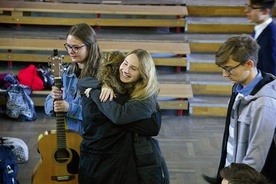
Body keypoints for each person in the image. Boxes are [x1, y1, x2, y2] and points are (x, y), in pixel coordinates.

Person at [77, 49, 169, 184]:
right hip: (95, 157)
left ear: (143, 74)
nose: (126, 70)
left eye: (133, 68)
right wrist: (103, 86)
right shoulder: (111, 83)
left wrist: (93, 93)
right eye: (125, 63)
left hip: (121, 161)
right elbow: (82, 82)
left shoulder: (145, 98)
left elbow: (150, 127)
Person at [202, 35, 276, 184]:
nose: (224, 74)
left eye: (229, 69)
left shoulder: (263, 104)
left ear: (248, 64)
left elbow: (255, 159)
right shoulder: (239, 89)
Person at [44, 23, 102, 134]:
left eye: (76, 47)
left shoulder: (102, 75)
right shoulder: (67, 72)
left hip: (92, 138)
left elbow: (100, 114)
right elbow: (47, 108)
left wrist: (70, 108)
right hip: (69, 136)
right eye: (68, 46)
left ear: (89, 47)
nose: (71, 51)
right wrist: (54, 100)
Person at [245, 0, 276, 75]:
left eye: (252, 8)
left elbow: (271, 72)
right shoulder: (259, 29)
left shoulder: (271, 37)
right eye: (247, 6)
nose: (246, 10)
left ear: (265, 12)